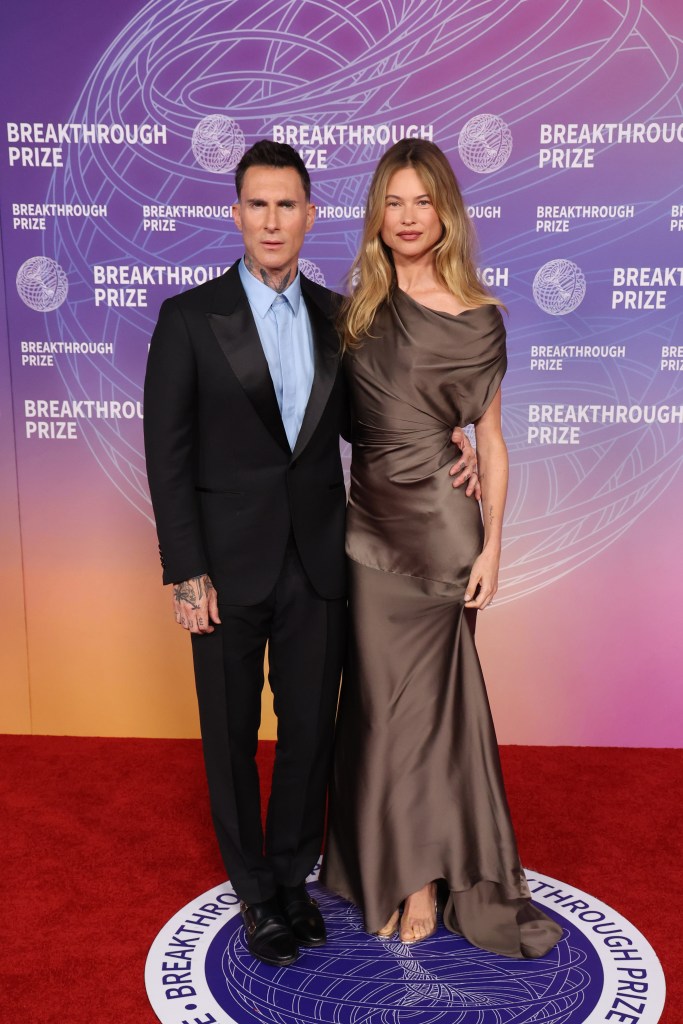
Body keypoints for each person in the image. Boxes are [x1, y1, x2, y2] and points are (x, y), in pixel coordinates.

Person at [143, 140, 479, 968]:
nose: (271, 221)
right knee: (229, 735)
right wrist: (185, 570)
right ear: (236, 214)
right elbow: (167, 456)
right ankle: (255, 891)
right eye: (257, 205)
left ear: (309, 216)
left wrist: (451, 440)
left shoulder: (343, 317)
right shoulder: (189, 318)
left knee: (307, 733)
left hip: (322, 561)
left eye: (286, 205)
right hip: (223, 568)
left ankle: (293, 876)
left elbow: (379, 422)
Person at [321, 139, 563, 959]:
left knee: (426, 716)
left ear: (445, 212)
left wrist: (493, 547)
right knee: (378, 711)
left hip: (443, 536)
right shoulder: (354, 312)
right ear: (375, 216)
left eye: (421, 201)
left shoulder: (480, 316)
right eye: (392, 202)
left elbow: (489, 440)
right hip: (366, 533)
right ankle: (384, 859)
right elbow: (338, 421)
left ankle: (421, 879)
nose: (406, 217)